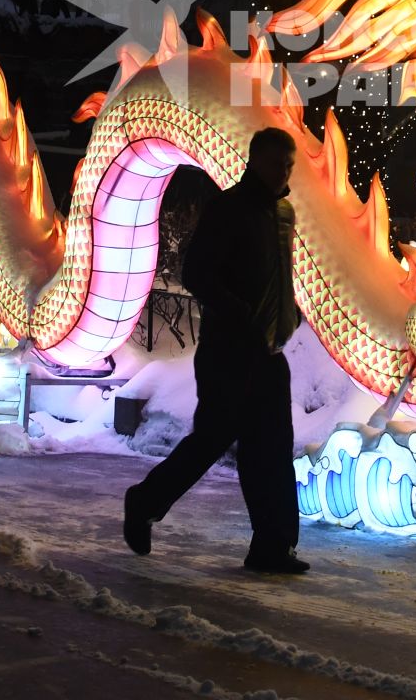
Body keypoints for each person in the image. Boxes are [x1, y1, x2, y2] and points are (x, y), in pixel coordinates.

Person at [124, 126, 307, 574]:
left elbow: (279, 276)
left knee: (272, 450)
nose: (283, 172)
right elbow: (198, 274)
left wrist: (290, 314)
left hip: (267, 352)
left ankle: (273, 547)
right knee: (212, 440)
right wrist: (242, 312)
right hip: (229, 350)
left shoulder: (282, 213)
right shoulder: (229, 209)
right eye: (275, 163)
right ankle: (144, 501)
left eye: (288, 164)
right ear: (254, 161)